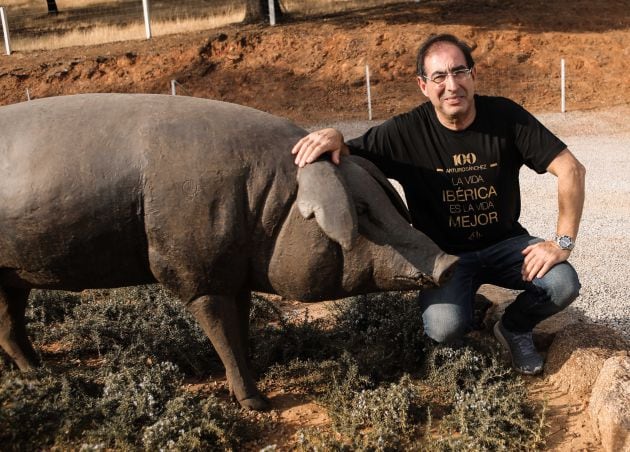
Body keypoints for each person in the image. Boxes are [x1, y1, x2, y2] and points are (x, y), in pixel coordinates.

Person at [291, 33, 585, 375]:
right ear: (423, 85)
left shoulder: (505, 116)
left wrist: (562, 242)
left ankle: (514, 326)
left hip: (507, 245)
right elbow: (349, 153)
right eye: (439, 77)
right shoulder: (405, 132)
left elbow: (571, 169)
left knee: (563, 283)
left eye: (459, 72)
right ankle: (468, 314)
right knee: (444, 327)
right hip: (444, 258)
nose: (452, 85)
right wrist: (334, 135)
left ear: (473, 75)